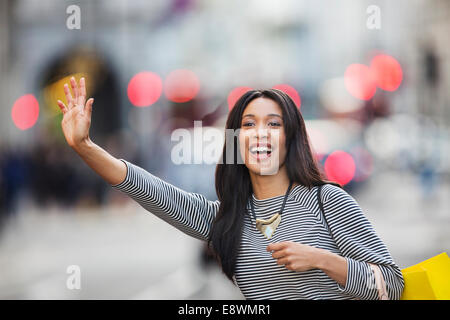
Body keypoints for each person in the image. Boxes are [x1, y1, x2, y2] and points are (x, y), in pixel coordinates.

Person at [57, 77, 404, 300]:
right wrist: (85, 146)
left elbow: (393, 283)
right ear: (237, 142)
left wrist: (323, 260)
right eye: (249, 125)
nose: (260, 133)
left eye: (274, 124)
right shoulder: (226, 218)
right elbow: (146, 188)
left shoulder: (327, 200)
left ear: (290, 138)